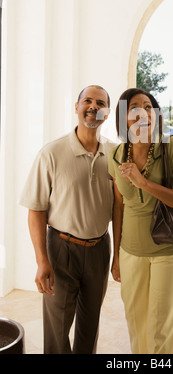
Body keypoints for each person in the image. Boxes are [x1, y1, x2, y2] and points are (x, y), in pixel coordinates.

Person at [19, 85, 116, 354]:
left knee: (90, 325)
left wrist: (117, 255)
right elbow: (36, 210)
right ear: (76, 107)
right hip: (61, 249)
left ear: (107, 113)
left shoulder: (115, 154)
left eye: (100, 103)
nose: (93, 106)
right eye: (87, 101)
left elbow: (121, 207)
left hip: (99, 248)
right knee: (57, 326)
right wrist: (42, 260)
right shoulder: (52, 153)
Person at [108, 88, 173, 354]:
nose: (142, 112)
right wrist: (117, 256)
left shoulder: (170, 146)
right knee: (137, 327)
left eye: (148, 106)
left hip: (167, 252)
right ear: (124, 117)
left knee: (161, 330)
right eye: (134, 107)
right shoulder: (115, 156)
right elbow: (118, 206)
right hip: (130, 253)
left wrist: (144, 183)